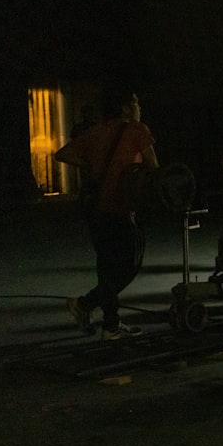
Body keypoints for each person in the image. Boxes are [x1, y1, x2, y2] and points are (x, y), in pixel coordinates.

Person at [55, 85, 158, 340]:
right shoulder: (138, 131)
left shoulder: (96, 132)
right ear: (125, 107)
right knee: (129, 265)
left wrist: (92, 164)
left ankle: (110, 326)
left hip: (96, 209)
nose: (139, 107)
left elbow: (62, 154)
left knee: (107, 267)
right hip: (122, 208)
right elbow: (154, 167)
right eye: (135, 102)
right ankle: (85, 304)